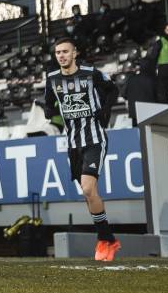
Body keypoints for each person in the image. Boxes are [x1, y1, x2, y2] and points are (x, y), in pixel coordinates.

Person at [42, 38, 121, 261]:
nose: (61, 56)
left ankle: (104, 240)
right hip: (72, 144)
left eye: (65, 51)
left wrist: (105, 110)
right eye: (58, 52)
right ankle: (108, 238)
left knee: (88, 188)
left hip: (94, 139)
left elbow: (113, 89)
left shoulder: (90, 73)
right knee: (88, 194)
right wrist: (49, 111)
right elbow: (49, 102)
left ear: (75, 53)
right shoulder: (52, 78)